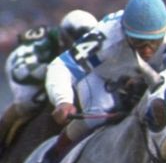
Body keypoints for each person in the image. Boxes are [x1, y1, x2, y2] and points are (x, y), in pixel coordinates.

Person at [24, 0, 166, 163]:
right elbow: (61, 67)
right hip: (101, 76)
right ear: (124, 32)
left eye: (153, 43)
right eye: (139, 42)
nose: (147, 50)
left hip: (142, 75)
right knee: (99, 114)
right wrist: (63, 100)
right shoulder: (106, 38)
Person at [0, 9, 99, 154]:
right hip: (24, 69)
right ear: (64, 38)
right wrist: (51, 74)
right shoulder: (43, 47)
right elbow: (21, 73)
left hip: (47, 66)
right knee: (27, 102)